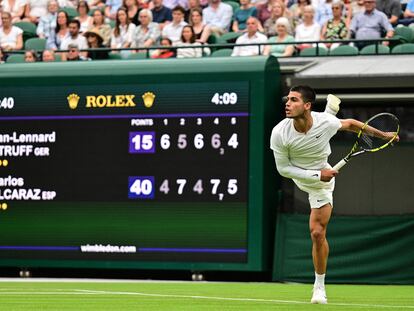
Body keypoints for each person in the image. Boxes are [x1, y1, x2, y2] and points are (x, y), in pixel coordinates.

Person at [270, 85, 399, 305]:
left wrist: (383, 134)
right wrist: (316, 174)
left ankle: (319, 287)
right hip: (304, 175)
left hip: (321, 184)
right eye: (287, 100)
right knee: (326, 123)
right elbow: (283, 169)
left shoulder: (324, 123)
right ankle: (331, 109)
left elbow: (350, 124)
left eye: (293, 100)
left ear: (307, 105)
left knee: (317, 233)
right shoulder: (279, 132)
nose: (287, 104)